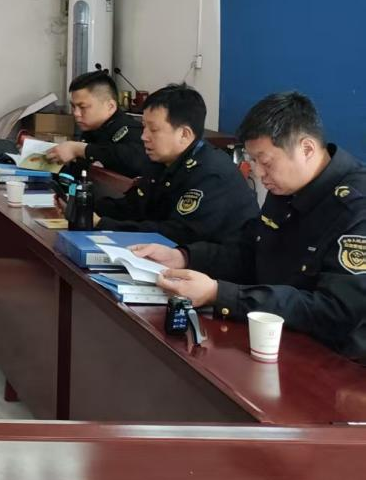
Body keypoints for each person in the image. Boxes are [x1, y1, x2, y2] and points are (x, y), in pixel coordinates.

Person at [134, 92, 366, 360]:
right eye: (252, 161)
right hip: (272, 337)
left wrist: (219, 294)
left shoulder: (355, 207)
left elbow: (335, 311)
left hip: (335, 362)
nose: (258, 173)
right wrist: (184, 257)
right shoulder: (285, 187)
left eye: (265, 162)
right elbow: (249, 253)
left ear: (306, 149)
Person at [91, 83, 258, 245]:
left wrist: (103, 224)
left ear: (184, 134)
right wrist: (87, 208)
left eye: (153, 130)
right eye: (144, 127)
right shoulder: (162, 161)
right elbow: (134, 207)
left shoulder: (211, 175)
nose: (144, 136)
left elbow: (176, 234)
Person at [46, 69, 155, 178]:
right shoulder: (91, 131)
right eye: (74, 107)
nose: (76, 113)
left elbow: (135, 160)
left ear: (110, 106)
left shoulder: (131, 131)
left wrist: (80, 149)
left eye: (82, 107)